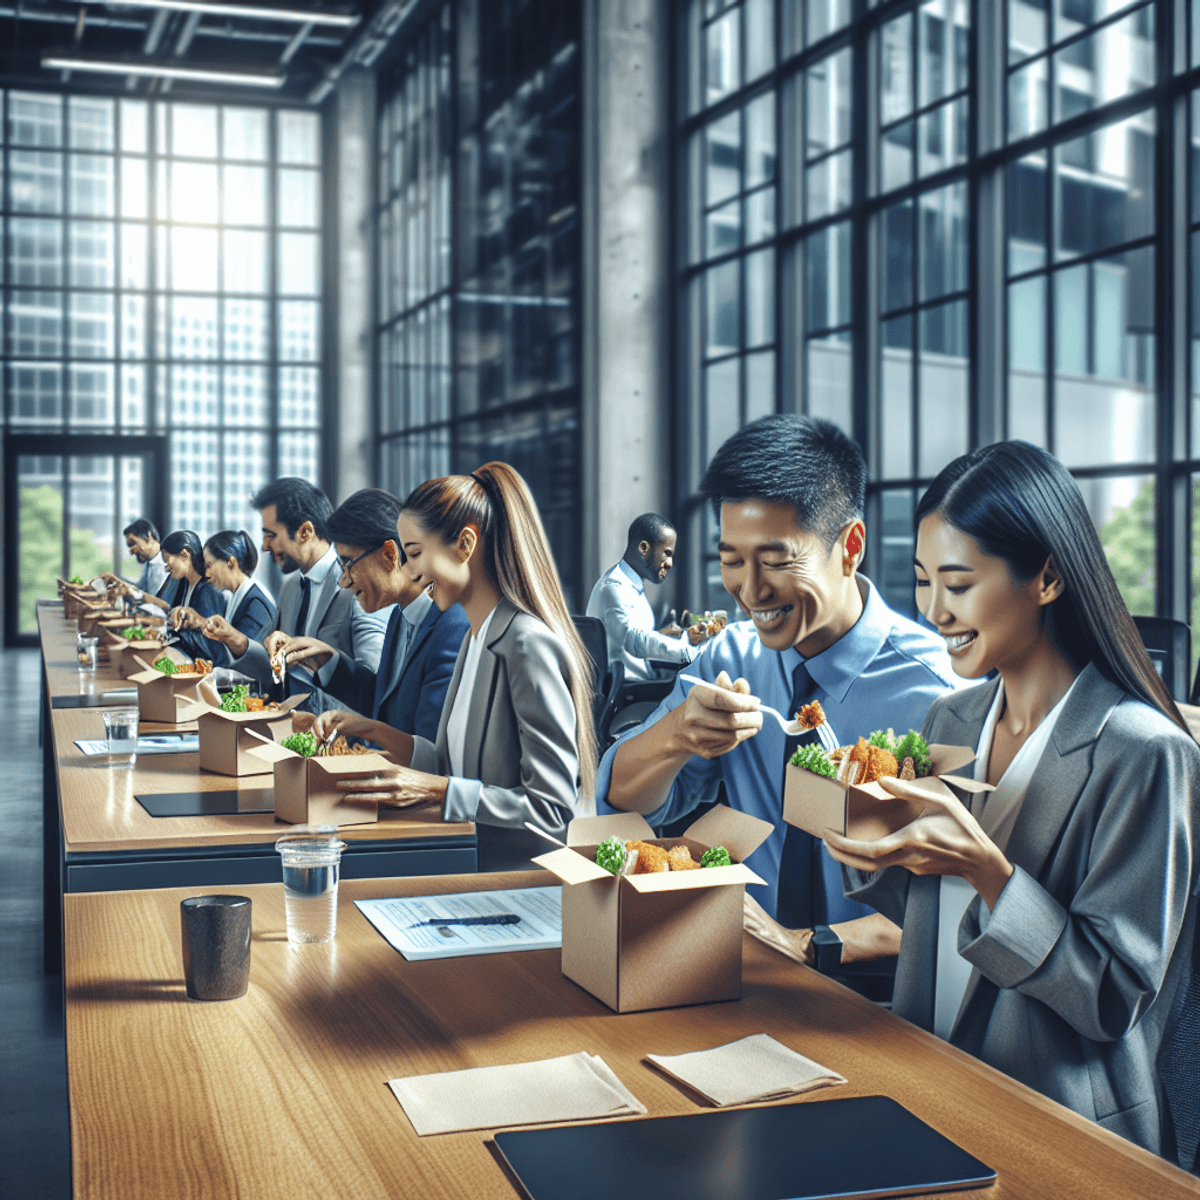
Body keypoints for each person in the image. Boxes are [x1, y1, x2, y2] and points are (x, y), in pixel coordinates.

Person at [794, 440, 1197, 1164]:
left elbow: (1112, 999)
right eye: (922, 581)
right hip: (932, 1078)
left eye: (958, 582)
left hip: (1063, 1127)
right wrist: (865, 846)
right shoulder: (950, 720)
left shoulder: (1144, 752)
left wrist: (994, 875)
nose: (934, 610)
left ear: (1046, 576)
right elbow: (933, 918)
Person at [596, 414, 960, 925]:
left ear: (850, 548)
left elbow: (958, 912)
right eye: (731, 560)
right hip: (747, 965)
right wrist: (677, 735)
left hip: (876, 989)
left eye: (775, 560)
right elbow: (624, 803)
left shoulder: (939, 692)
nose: (750, 590)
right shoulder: (731, 659)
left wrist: (812, 949)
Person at [317, 463, 595, 871]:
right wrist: (373, 731)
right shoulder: (474, 638)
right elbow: (453, 766)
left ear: (465, 544)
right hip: (465, 863)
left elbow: (552, 810)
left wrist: (438, 791)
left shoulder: (526, 643)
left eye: (414, 554)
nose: (409, 572)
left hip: (515, 885)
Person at [272, 488, 469, 744]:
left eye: (347, 563)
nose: (343, 581)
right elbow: (384, 708)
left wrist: (357, 732)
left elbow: (429, 752)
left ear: (390, 553)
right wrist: (330, 662)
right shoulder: (401, 615)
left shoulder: (451, 627)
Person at [200, 478, 388, 714]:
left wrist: (327, 662)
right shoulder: (290, 589)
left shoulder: (357, 584)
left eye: (271, 535)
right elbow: (274, 667)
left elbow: (375, 683)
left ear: (305, 532)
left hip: (339, 738)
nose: (265, 546)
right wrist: (237, 641)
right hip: (286, 728)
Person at [586, 513, 706, 683]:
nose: (670, 563)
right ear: (644, 548)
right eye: (666, 553)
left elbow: (635, 638)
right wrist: (687, 651)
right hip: (625, 692)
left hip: (639, 684)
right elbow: (632, 639)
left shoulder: (630, 585)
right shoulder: (613, 588)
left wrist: (668, 635)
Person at [173, 530, 276, 651]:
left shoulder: (257, 605)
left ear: (231, 563)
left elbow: (246, 656)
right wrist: (199, 622)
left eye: (209, 565)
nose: (206, 574)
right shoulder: (236, 596)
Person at [140, 530, 227, 663]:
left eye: (168, 561)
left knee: (149, 661)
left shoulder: (207, 590)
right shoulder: (183, 583)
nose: (167, 568)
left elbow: (210, 643)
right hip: (183, 653)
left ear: (184, 555)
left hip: (200, 663)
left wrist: (170, 636)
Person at [101, 519, 166, 597]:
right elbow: (140, 589)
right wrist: (117, 580)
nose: (131, 552)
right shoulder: (149, 562)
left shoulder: (165, 564)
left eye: (133, 543)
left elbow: (155, 599)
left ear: (149, 538)